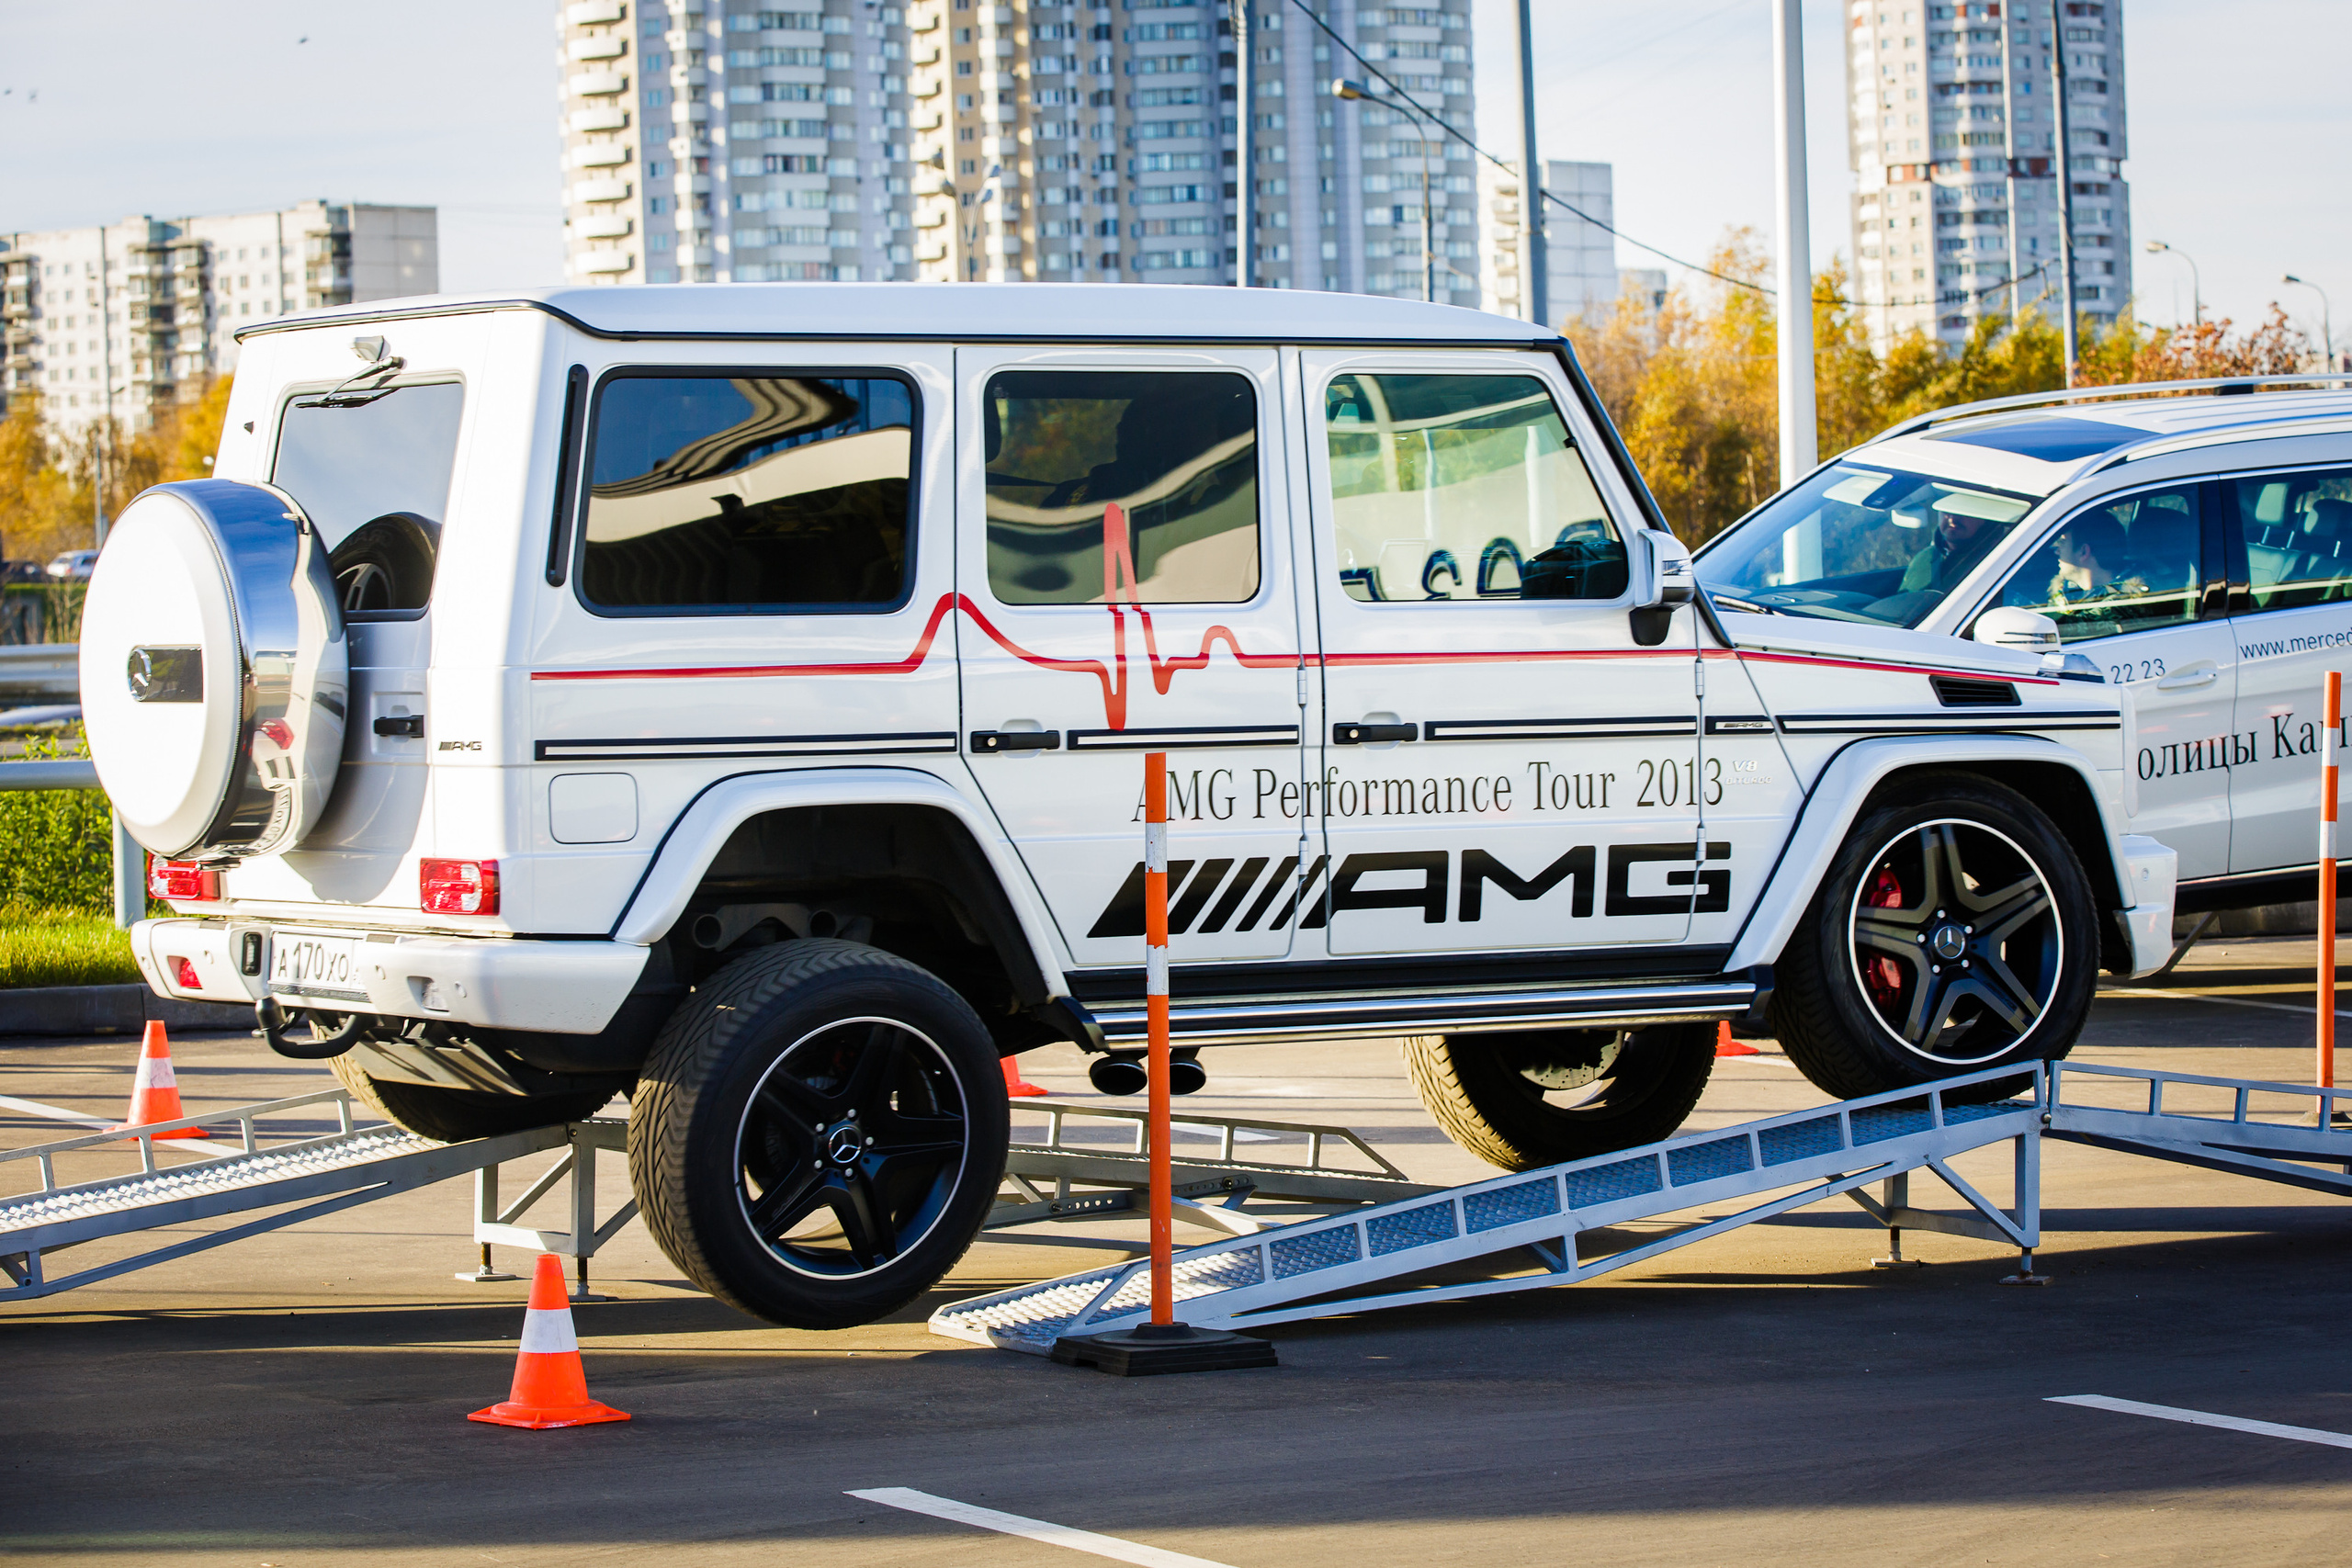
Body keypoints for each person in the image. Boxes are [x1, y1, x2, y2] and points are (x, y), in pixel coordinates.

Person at [1898, 502, 2006, 594]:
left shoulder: (1997, 562)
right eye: (1946, 511)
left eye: (1964, 511)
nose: (1952, 519)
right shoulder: (1925, 557)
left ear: (1985, 519)